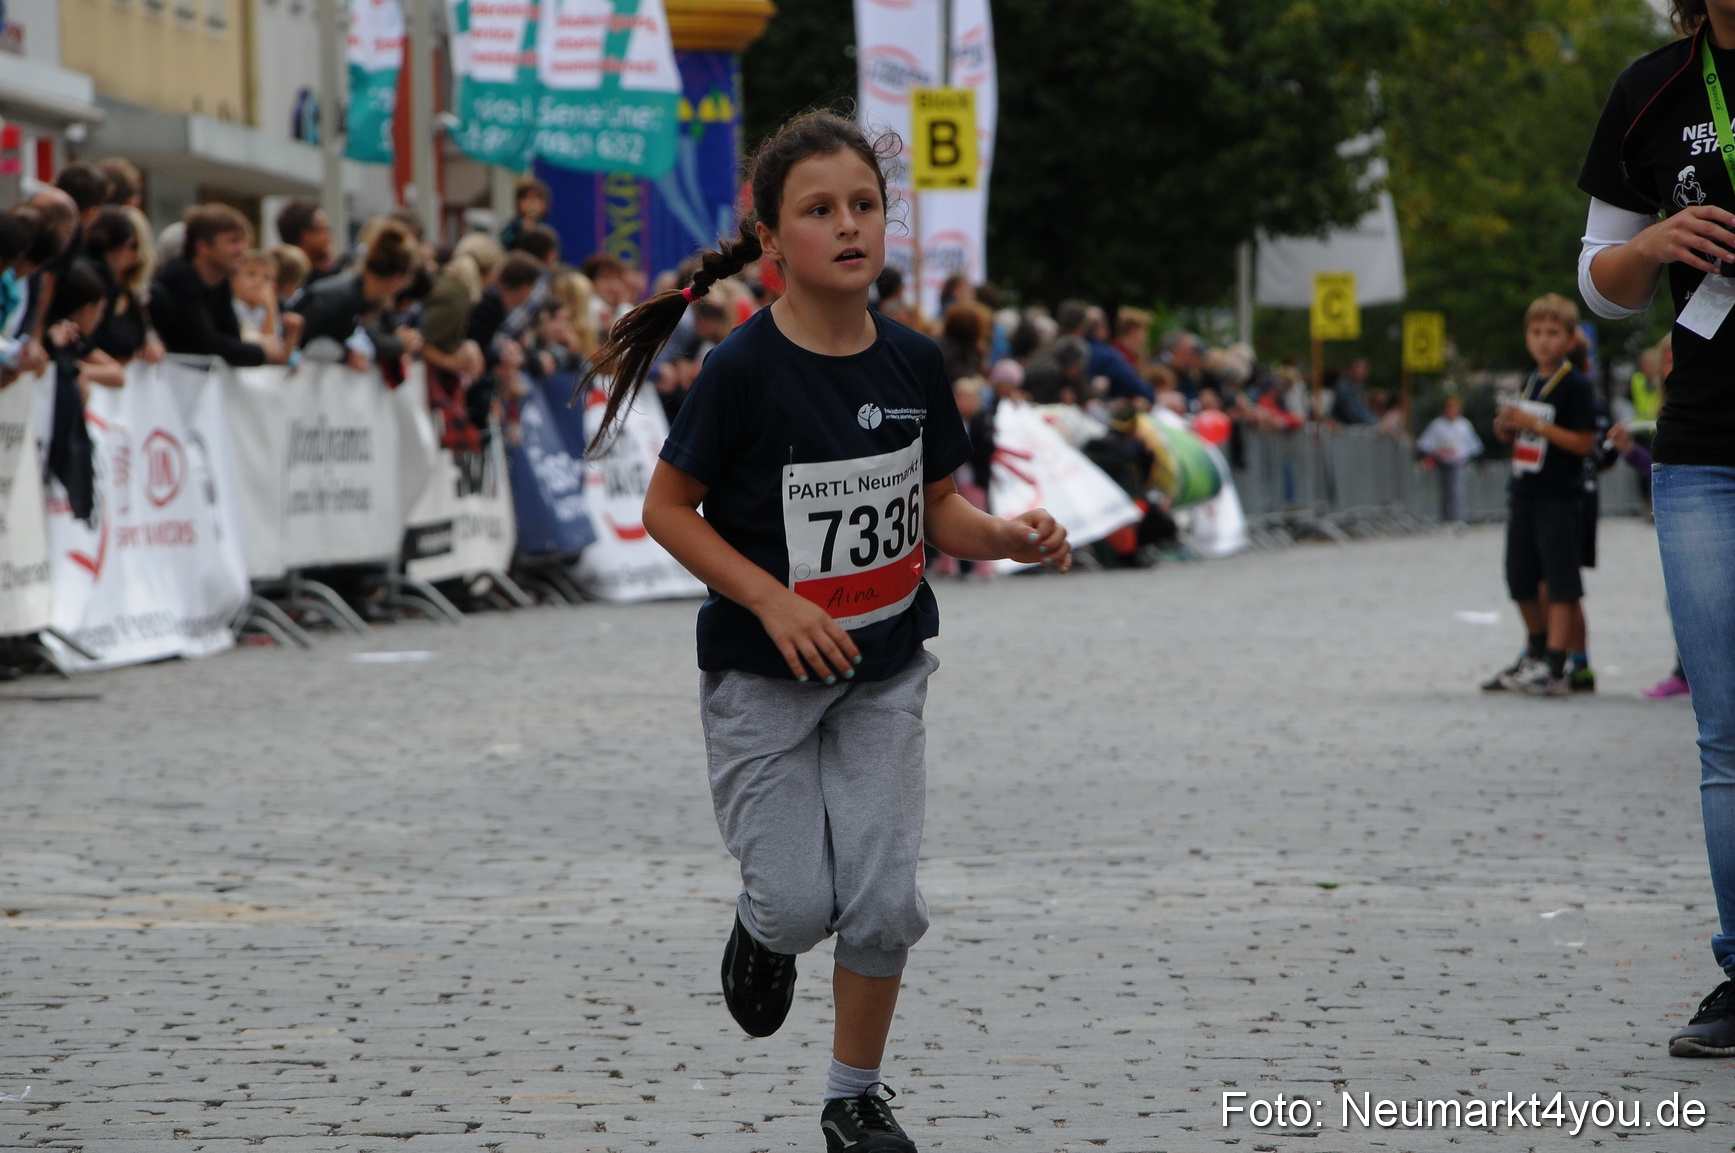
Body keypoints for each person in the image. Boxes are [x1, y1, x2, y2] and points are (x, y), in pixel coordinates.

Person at [583, 109, 1071, 1153]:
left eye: (864, 205)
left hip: (885, 669)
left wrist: (1005, 536)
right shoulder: (743, 370)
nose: (848, 225)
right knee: (803, 905)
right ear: (771, 243)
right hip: (763, 678)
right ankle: (764, 928)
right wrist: (770, 597)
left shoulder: (913, 362)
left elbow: (937, 505)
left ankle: (853, 1096)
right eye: (818, 210)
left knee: (885, 901)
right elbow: (667, 510)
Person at [1577, 0, 1735, 1056]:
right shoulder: (1651, 90)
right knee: (1726, 736)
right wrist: (1659, 245)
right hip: (1706, 451)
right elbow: (1597, 285)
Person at [1478, 294, 1597, 696]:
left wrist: (1537, 425)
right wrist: (1510, 427)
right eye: (1536, 332)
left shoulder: (1575, 385)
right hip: (1525, 488)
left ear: (1568, 338)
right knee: (1520, 577)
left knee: (1560, 579)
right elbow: (1524, 433)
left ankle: (1557, 661)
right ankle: (1535, 645)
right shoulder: (1531, 380)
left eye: (1553, 333)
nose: (1543, 340)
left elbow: (1583, 443)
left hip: (1559, 494)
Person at [150, 205, 287, 365]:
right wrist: (259, 350)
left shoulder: (220, 282)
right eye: (233, 241)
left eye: (243, 241)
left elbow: (230, 337)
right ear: (203, 246)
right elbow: (203, 342)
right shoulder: (179, 277)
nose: (241, 249)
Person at [290, 219, 421, 372]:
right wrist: (346, 354)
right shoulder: (339, 298)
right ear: (397, 278)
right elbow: (300, 338)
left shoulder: (364, 298)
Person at [1416, 394, 1483, 524]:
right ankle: (1445, 519)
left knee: (1457, 491)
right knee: (1443, 492)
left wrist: (1479, 463)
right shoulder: (1437, 424)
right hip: (1441, 462)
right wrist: (1435, 453)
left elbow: (1475, 446)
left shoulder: (1464, 425)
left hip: (1458, 462)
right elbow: (1424, 443)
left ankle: (1458, 519)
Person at [275, 198, 339, 292]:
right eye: (325, 230)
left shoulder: (327, 274)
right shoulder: (281, 280)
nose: (330, 237)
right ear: (306, 235)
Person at [498, 176, 550, 253]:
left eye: (537, 198)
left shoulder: (545, 231)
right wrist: (522, 230)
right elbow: (506, 245)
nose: (532, 203)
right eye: (527, 198)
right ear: (518, 202)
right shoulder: (511, 226)